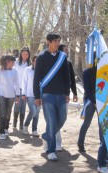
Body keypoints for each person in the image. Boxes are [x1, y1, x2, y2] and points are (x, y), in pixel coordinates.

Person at [33, 33, 70, 161]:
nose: (57, 43)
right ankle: (51, 150)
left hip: (60, 94)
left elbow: (67, 76)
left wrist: (67, 93)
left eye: (58, 41)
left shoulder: (62, 57)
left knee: (63, 119)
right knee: (52, 121)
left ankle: (47, 135)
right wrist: (37, 96)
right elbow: (36, 77)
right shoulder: (42, 57)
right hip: (47, 95)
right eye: (55, 41)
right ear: (48, 42)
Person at [56, 44, 78, 151]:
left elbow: (72, 80)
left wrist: (74, 93)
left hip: (65, 95)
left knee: (62, 118)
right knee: (55, 118)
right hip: (53, 94)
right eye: (65, 50)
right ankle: (57, 143)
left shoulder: (68, 63)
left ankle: (49, 135)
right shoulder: (53, 62)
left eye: (67, 51)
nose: (67, 52)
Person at [0, 55, 20, 140]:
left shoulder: (14, 71)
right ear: (7, 62)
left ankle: (6, 128)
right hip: (1, 94)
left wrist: (17, 95)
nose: (13, 64)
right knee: (2, 113)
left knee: (8, 113)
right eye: (12, 62)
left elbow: (17, 84)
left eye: (13, 62)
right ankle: (1, 131)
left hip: (11, 95)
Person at [77, 65, 98, 152]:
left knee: (103, 126)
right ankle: (80, 142)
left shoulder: (106, 72)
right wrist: (94, 102)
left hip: (103, 100)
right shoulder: (87, 72)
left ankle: (104, 148)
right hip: (90, 99)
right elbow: (87, 90)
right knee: (86, 123)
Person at [22, 55, 40, 136]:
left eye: (38, 61)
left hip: (39, 95)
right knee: (33, 111)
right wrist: (23, 93)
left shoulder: (42, 71)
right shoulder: (28, 70)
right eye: (35, 61)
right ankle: (25, 125)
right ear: (32, 61)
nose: (36, 62)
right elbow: (24, 82)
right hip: (29, 95)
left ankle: (34, 130)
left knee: (37, 113)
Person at [13, 47, 30, 130]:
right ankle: (14, 122)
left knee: (23, 107)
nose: (25, 56)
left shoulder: (29, 63)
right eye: (23, 54)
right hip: (17, 87)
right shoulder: (16, 62)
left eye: (26, 54)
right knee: (17, 105)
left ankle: (21, 124)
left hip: (26, 89)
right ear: (21, 54)